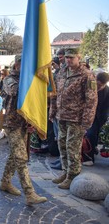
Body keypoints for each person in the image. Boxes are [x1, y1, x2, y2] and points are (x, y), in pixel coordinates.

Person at [0, 55, 47, 205]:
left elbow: (31, 102)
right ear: (16, 66)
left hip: (24, 123)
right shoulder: (9, 80)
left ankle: (5, 182)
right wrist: (32, 81)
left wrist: (32, 120)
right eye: (22, 64)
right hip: (11, 124)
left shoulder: (28, 79)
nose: (26, 67)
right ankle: (29, 193)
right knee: (21, 157)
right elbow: (16, 92)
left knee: (14, 155)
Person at [49, 48, 98, 189]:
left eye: (71, 57)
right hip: (61, 116)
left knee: (72, 147)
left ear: (79, 57)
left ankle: (73, 176)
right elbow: (55, 93)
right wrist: (53, 111)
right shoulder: (62, 72)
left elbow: (92, 100)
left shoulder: (86, 75)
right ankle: (65, 172)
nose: (68, 60)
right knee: (62, 145)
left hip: (76, 118)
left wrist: (87, 121)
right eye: (66, 57)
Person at [83, 72, 109, 165]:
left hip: (98, 117)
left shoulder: (107, 91)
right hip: (85, 114)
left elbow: (105, 108)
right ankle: (89, 152)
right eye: (97, 84)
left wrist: (101, 121)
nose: (98, 86)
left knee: (91, 135)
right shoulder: (89, 86)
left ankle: (89, 158)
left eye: (100, 85)